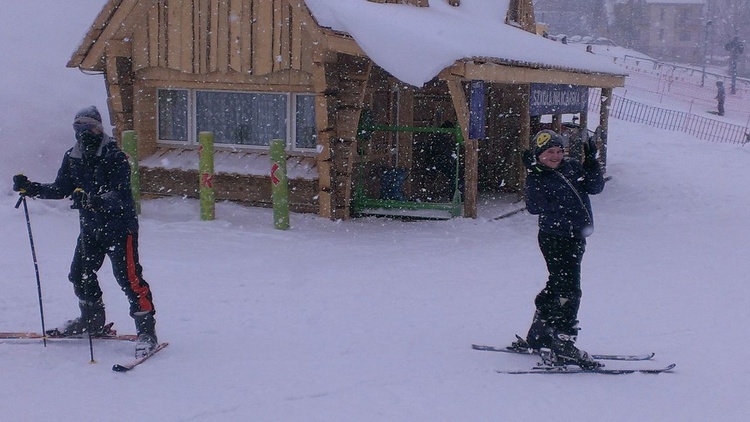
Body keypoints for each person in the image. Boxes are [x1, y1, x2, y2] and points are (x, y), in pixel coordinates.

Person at [12, 106, 158, 358]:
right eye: (77, 129)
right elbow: (61, 188)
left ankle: (146, 332)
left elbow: (122, 196)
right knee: (79, 274)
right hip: (91, 229)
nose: (82, 134)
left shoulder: (114, 156)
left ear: (98, 129)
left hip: (119, 228)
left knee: (129, 280)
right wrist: (31, 188)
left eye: (87, 128)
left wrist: (93, 199)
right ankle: (91, 320)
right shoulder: (73, 157)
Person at [510, 129, 605, 369]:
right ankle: (564, 342)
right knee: (570, 290)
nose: (555, 156)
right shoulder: (538, 177)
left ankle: (540, 333)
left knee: (557, 285)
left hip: (575, 238)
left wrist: (592, 162)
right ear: (539, 155)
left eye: (559, 151)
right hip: (555, 238)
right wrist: (536, 172)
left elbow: (595, 187)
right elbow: (534, 206)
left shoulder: (572, 168)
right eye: (549, 152)